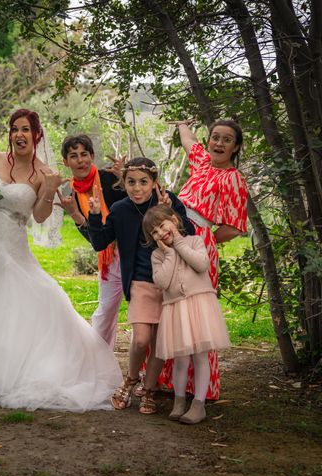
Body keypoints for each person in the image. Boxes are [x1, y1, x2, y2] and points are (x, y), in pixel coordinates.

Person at [0, 109, 123, 411]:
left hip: (10, 243)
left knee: (11, 301)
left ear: (36, 135)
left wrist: (50, 189)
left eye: (26, 129)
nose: (19, 135)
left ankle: (4, 369)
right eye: (15, 129)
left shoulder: (43, 173)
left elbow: (39, 216)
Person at [86, 158, 195, 414]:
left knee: (159, 342)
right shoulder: (121, 209)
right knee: (141, 339)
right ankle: (131, 379)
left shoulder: (167, 202)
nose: (137, 188)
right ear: (123, 183)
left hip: (168, 283)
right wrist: (92, 216)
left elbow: (189, 235)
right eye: (131, 182)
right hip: (140, 282)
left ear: (154, 183)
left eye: (143, 182)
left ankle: (148, 389)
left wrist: (173, 213)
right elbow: (100, 242)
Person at [155, 119, 248, 400]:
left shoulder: (233, 178)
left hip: (198, 244)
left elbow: (233, 227)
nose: (219, 143)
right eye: (215, 137)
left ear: (236, 147)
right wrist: (183, 125)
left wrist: (204, 238)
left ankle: (200, 392)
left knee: (197, 316)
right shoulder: (202, 163)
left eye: (226, 139)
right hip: (174, 238)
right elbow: (189, 143)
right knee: (173, 309)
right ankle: (169, 383)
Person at [143, 205, 231, 424]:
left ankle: (198, 405)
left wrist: (180, 244)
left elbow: (201, 265)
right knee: (181, 360)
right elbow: (162, 282)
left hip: (199, 305)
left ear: (174, 220)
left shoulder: (194, 242)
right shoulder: (157, 255)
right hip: (176, 309)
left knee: (201, 357)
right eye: (154, 232)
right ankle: (179, 401)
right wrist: (170, 254)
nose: (161, 233)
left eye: (163, 226)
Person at [57, 134, 127, 350]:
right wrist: (76, 215)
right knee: (105, 311)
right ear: (66, 162)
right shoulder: (72, 194)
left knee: (144, 313)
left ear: (92, 156)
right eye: (74, 156)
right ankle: (98, 360)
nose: (80, 160)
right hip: (108, 258)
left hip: (134, 251)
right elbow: (94, 239)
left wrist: (124, 181)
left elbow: (135, 207)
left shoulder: (110, 177)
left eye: (84, 154)